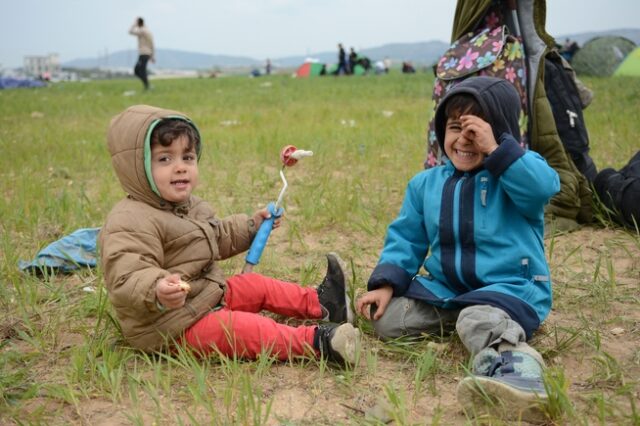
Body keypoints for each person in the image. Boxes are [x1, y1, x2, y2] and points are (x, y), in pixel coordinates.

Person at [356, 77, 560, 423]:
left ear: (502, 135)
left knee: (478, 317)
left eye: (477, 131)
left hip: (511, 287)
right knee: (386, 320)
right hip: (448, 290)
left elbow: (543, 187)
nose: (464, 140)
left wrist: (498, 152)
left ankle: (520, 371)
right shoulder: (426, 184)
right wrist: (386, 284)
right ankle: (465, 319)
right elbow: (407, 238)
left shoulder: (518, 173)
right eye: (454, 128)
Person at [99, 104, 360, 367]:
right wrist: (156, 288)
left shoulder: (191, 206)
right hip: (168, 326)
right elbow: (126, 276)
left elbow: (219, 236)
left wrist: (252, 226)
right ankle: (320, 343)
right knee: (239, 328)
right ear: (136, 167)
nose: (180, 167)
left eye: (187, 157)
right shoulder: (129, 220)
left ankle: (324, 303)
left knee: (255, 285)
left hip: (205, 295)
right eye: (165, 159)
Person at [129, 17, 155, 90]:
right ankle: (147, 85)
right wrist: (152, 55)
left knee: (138, 70)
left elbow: (130, 32)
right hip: (146, 53)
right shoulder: (147, 30)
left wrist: (134, 25)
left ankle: (147, 86)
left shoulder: (143, 31)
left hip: (144, 53)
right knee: (140, 70)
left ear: (139, 23)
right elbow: (152, 43)